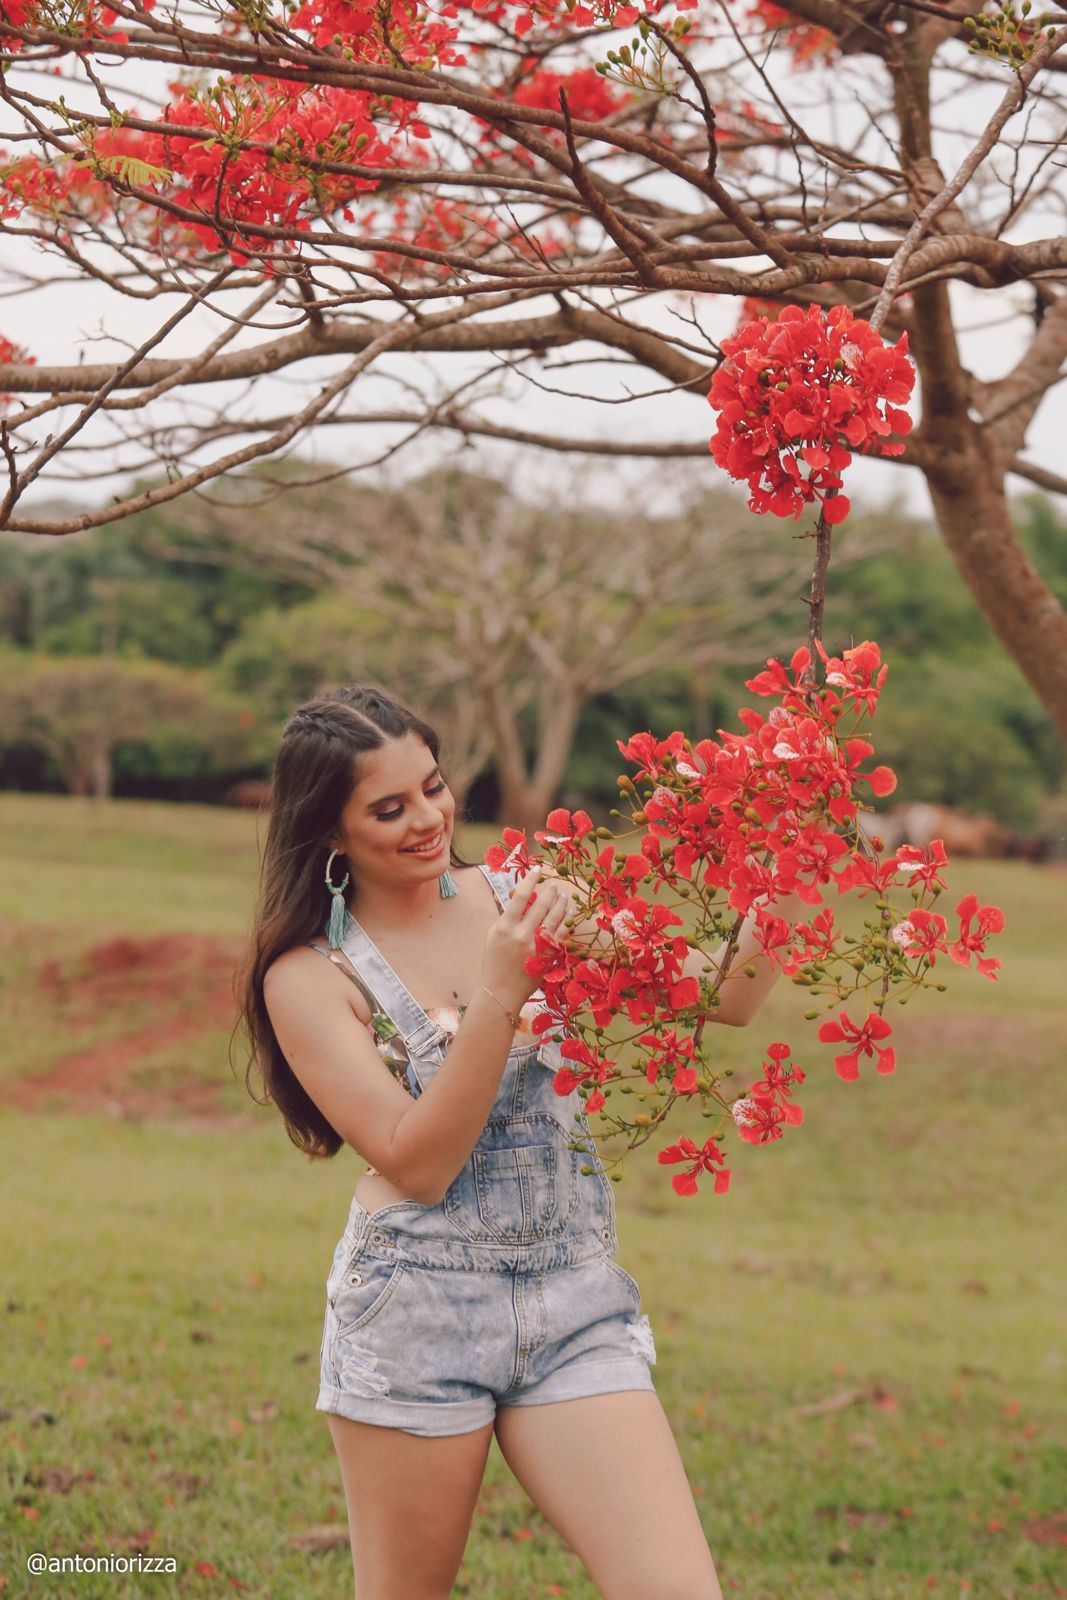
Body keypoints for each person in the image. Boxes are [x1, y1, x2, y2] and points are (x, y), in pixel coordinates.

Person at [244, 684, 805, 1600]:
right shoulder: (309, 978)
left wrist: (786, 854)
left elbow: (727, 997)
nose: (428, 818)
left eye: (432, 786)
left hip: (573, 1301)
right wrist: (501, 991)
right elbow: (417, 1163)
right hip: (417, 1311)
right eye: (389, 808)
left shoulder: (528, 897)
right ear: (331, 834)